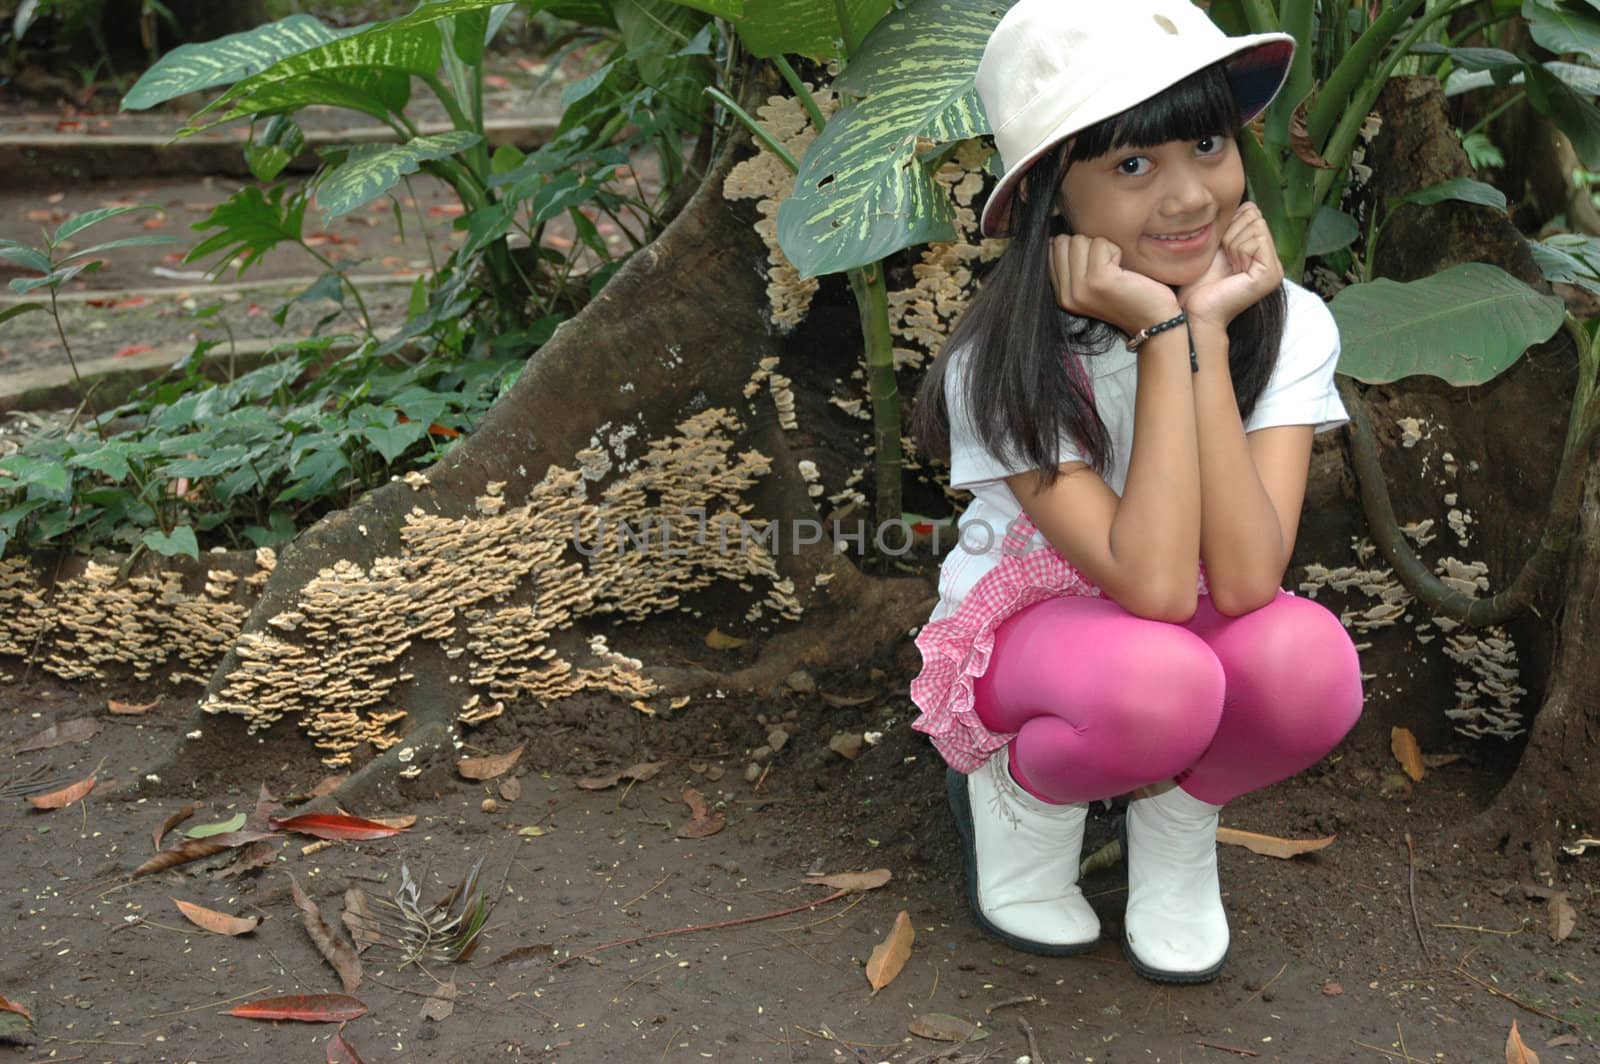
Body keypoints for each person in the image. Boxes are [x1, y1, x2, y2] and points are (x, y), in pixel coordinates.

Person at [908, 0, 1366, 984]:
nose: (1189, 194)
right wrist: (1162, 339)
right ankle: (1023, 797)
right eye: (1130, 165)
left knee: (1307, 663)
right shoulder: (1003, 361)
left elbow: (1244, 581)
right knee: (1157, 678)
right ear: (1052, 197)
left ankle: (1177, 815)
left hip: (1186, 624)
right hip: (1038, 637)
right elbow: (1151, 583)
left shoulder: (1289, 324)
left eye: (1206, 143)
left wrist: (1198, 332)